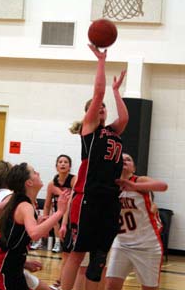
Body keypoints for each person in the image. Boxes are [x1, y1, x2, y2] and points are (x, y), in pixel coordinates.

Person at [61, 44, 129, 290]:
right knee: (78, 253)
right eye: (97, 106)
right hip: (88, 197)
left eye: (104, 106)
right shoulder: (89, 130)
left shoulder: (112, 131)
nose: (101, 107)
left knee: (100, 257)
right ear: (89, 112)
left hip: (109, 199)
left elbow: (124, 119)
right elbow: (97, 94)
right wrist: (101, 61)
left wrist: (116, 91)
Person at [0, 163, 70, 290]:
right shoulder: (25, 206)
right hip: (0, 269)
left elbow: (20, 235)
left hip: (12, 266)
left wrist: (24, 263)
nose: (38, 173)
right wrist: (60, 212)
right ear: (29, 183)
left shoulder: (23, 202)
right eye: (34, 172)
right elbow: (34, 234)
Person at [106, 153, 168, 290]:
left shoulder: (139, 180)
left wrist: (133, 186)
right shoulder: (110, 185)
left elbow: (163, 186)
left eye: (128, 159)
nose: (124, 161)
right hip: (122, 243)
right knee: (111, 285)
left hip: (147, 245)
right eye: (121, 160)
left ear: (133, 168)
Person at [43, 155, 76, 290]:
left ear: (69, 166)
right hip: (58, 219)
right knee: (64, 253)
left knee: (68, 253)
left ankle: (62, 281)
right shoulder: (52, 184)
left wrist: (64, 223)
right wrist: (45, 221)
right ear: (56, 166)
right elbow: (46, 205)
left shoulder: (74, 180)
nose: (63, 164)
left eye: (66, 162)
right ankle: (62, 280)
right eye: (60, 162)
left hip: (71, 219)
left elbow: (69, 204)